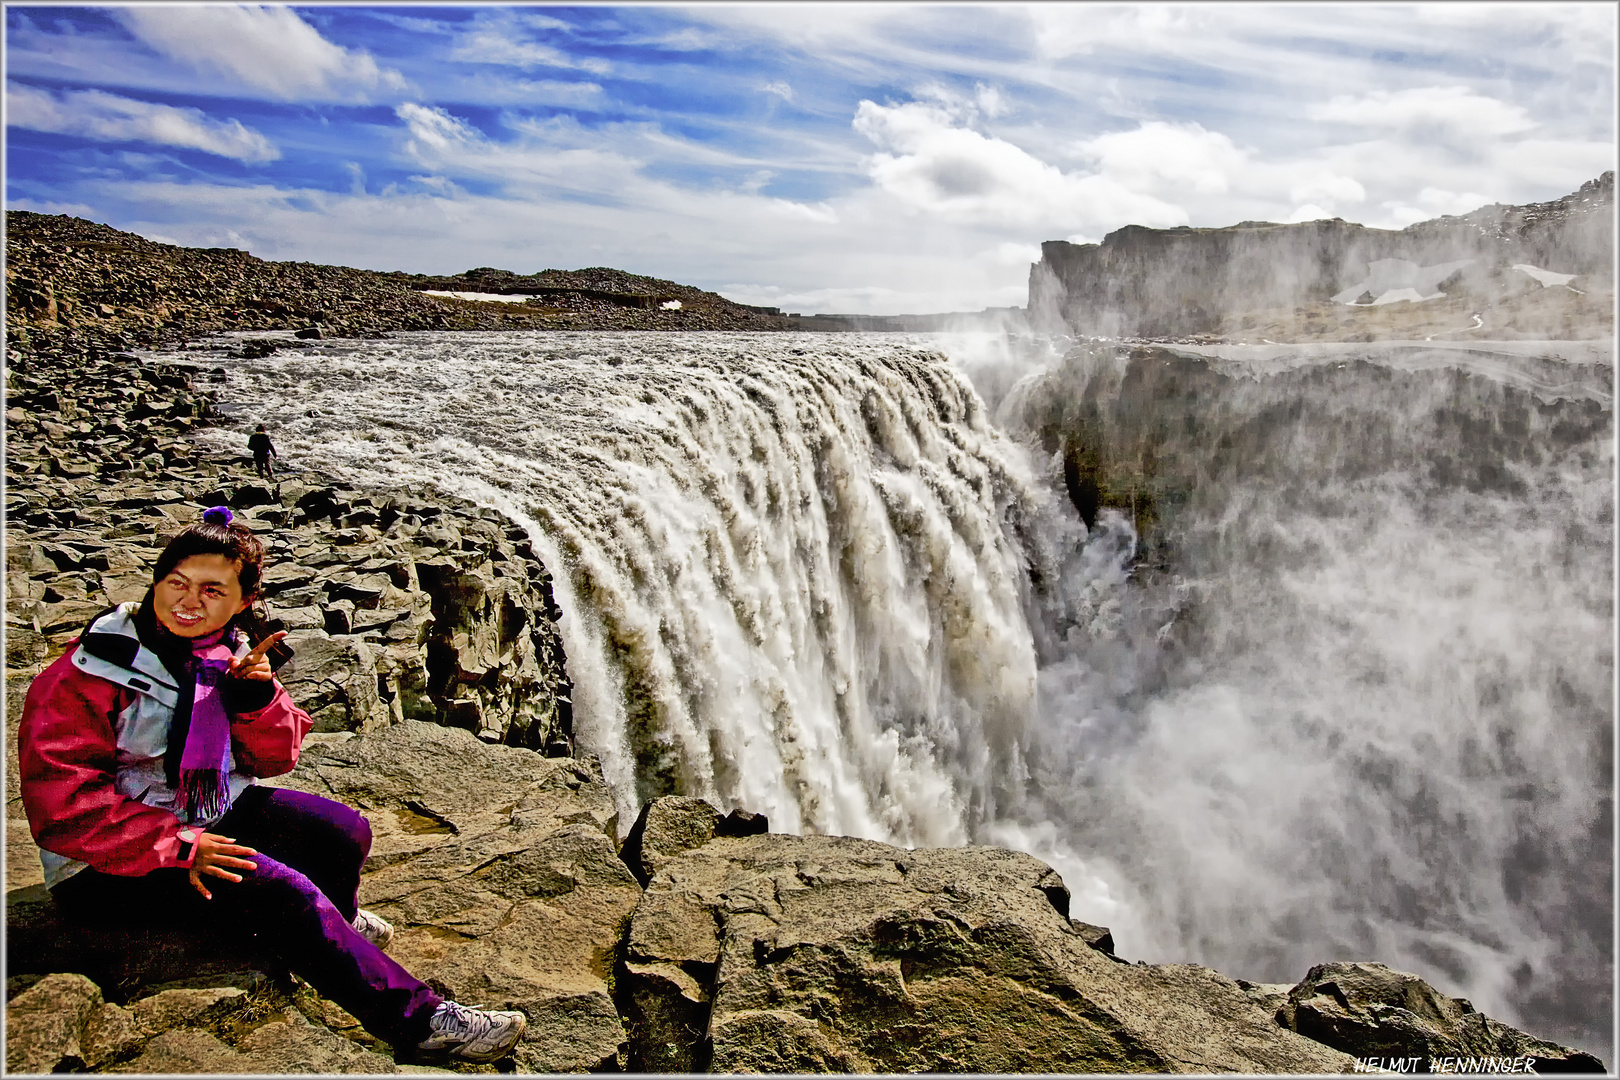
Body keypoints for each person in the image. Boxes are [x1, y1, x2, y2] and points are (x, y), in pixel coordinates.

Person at [18, 506, 527, 1064]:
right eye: (175, 583)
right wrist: (181, 846)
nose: (189, 603)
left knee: (344, 832)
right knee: (284, 892)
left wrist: (256, 700)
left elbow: (275, 758)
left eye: (212, 590)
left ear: (242, 603)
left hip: (199, 813)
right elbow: (61, 807)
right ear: (154, 584)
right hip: (107, 865)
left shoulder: (225, 654)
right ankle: (421, 1022)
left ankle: (334, 932)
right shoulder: (88, 671)